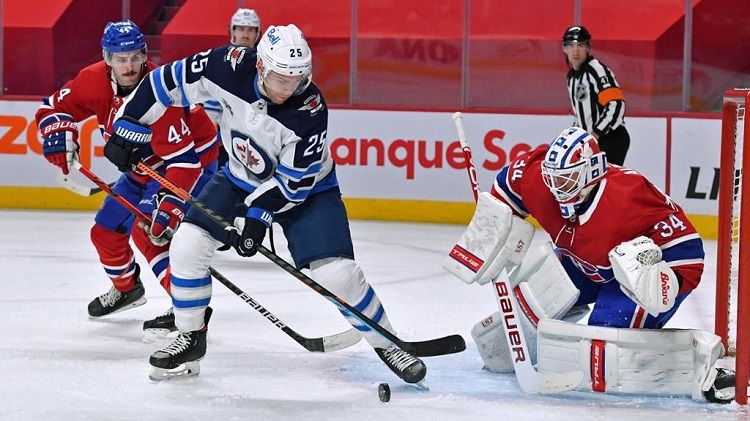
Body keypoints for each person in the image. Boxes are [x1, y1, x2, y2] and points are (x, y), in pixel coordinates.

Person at [103, 24, 427, 384]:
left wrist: (256, 218)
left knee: (336, 275)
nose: (289, 88)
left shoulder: (310, 110)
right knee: (187, 244)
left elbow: (293, 184)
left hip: (308, 192)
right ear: (260, 67)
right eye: (280, 79)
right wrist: (128, 122)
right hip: (238, 178)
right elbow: (166, 80)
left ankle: (389, 344)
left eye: (297, 79)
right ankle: (191, 336)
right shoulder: (227, 65)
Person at [444, 127, 735, 403]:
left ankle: (697, 371)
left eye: (567, 179)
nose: (556, 187)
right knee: (533, 303)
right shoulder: (537, 179)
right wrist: (492, 228)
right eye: (553, 178)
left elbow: (688, 247)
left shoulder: (627, 195)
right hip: (585, 262)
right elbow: (508, 184)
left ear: (591, 173)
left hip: (639, 272)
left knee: (604, 345)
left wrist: (665, 280)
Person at [36, 20, 218, 333]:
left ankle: (188, 309)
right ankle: (127, 289)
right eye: (121, 59)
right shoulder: (93, 80)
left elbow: (185, 163)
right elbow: (53, 107)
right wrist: (56, 129)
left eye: (135, 57)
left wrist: (170, 204)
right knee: (105, 231)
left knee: (149, 232)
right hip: (143, 168)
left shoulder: (161, 93)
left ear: (145, 55)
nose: (130, 66)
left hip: (190, 165)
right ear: (107, 59)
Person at [203, 8, 262, 168]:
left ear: (257, 34)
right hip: (226, 143)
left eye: (251, 30)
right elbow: (210, 111)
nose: (245, 34)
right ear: (232, 31)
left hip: (259, 140)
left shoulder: (265, 63)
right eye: (241, 28)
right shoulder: (219, 61)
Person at [563, 25, 630, 166]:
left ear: (588, 47)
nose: (575, 51)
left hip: (611, 139)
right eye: (571, 46)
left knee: (602, 180)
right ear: (564, 49)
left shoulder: (596, 70)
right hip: (592, 143)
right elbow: (579, 116)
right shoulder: (571, 78)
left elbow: (616, 104)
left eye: (580, 45)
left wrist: (596, 133)